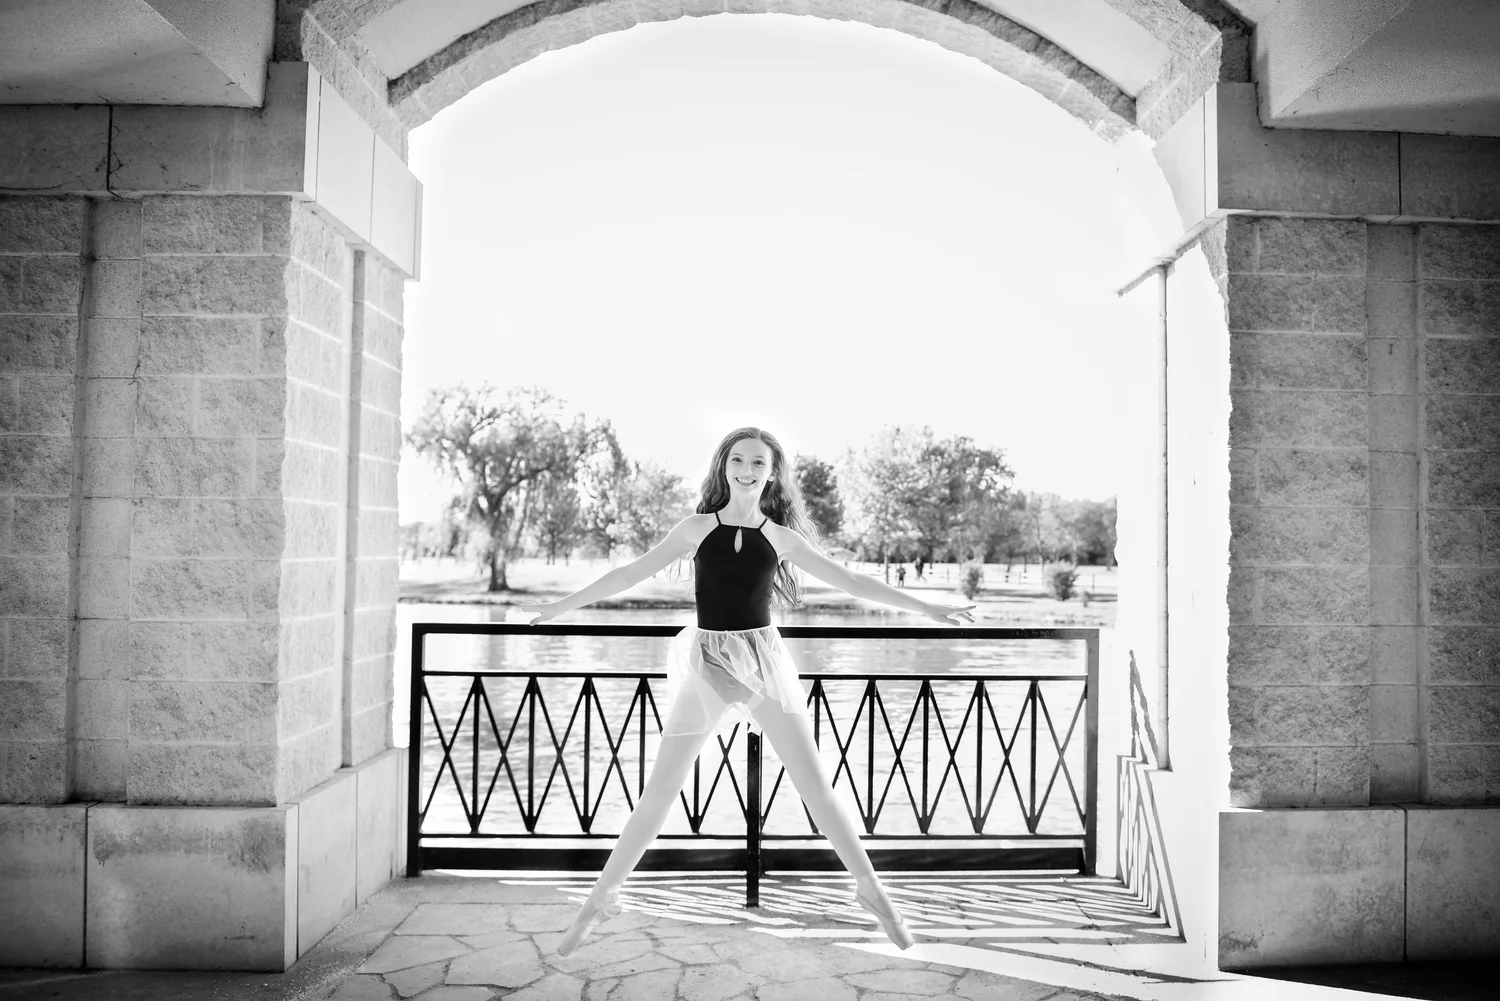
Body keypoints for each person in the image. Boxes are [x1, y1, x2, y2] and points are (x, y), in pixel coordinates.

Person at [519, 427, 975, 957]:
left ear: (772, 473)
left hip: (763, 665)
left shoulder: (780, 537)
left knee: (815, 787)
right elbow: (629, 573)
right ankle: (600, 898)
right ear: (724, 466)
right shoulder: (695, 528)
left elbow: (851, 582)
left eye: (759, 462)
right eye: (738, 459)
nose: (747, 470)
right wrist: (560, 606)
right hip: (708, 664)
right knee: (660, 792)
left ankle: (871, 890)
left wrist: (928, 608)